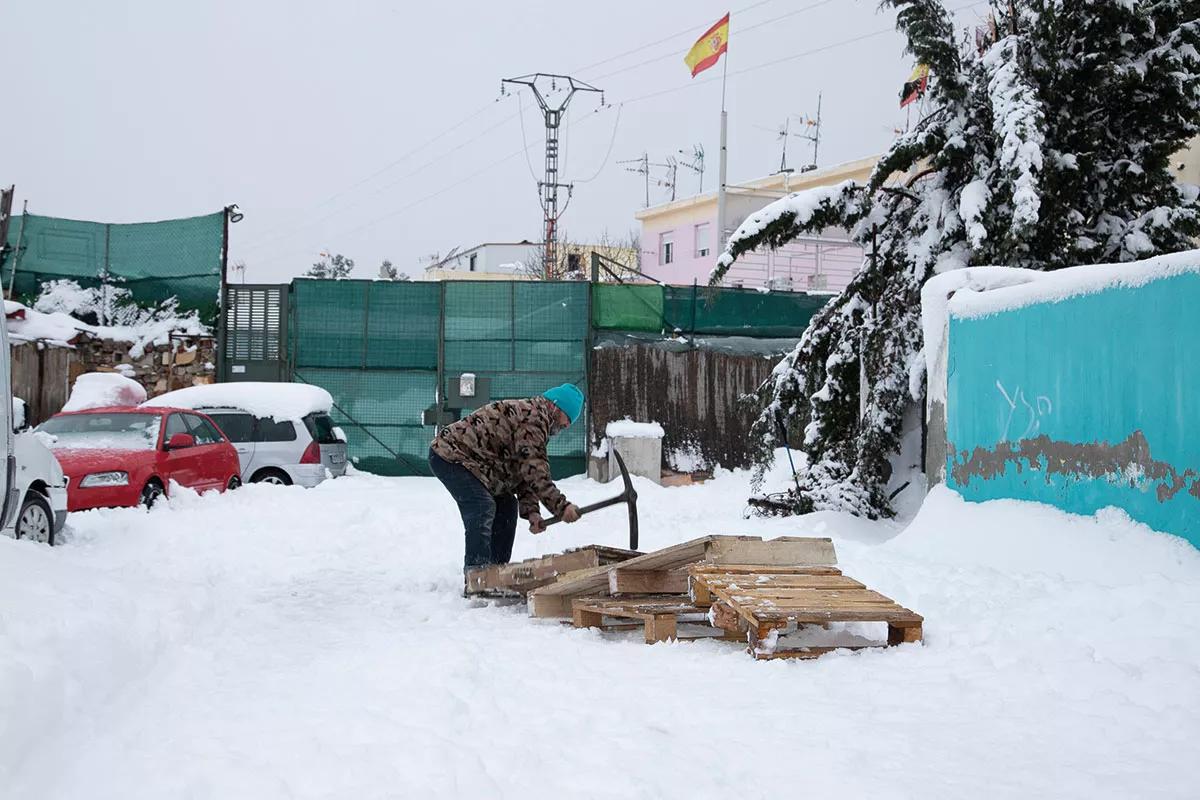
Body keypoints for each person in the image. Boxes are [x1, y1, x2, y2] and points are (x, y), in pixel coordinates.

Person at [429, 383, 584, 573]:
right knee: (482, 505)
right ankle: (476, 574)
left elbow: (523, 470)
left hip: (481, 467)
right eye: (567, 418)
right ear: (556, 406)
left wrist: (532, 511)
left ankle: (496, 573)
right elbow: (535, 470)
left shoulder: (537, 420)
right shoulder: (532, 418)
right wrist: (561, 507)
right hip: (451, 454)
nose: (566, 426)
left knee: (507, 506)